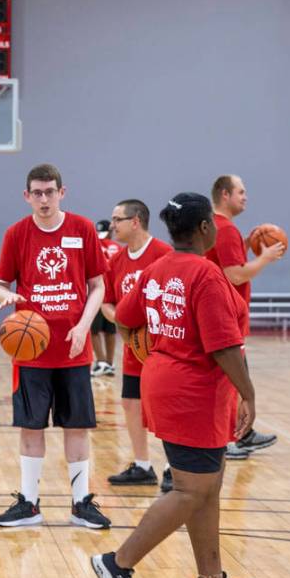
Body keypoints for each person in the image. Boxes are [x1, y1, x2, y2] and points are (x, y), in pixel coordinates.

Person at [91, 192, 259, 578]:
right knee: (190, 490)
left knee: (208, 487)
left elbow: (125, 318)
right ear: (206, 228)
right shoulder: (206, 275)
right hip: (194, 392)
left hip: (168, 382)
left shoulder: (156, 268)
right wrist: (249, 394)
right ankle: (119, 562)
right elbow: (224, 347)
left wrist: (153, 353)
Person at [0, 163, 110, 529]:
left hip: (74, 347)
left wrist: (82, 327)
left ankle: (81, 504)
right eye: (37, 193)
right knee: (32, 427)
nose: (44, 199)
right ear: (27, 196)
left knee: (76, 427)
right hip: (31, 349)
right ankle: (29, 504)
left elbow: (98, 286)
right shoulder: (16, 234)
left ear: (62, 192)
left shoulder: (82, 229)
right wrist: (7, 294)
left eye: (50, 192)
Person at [100, 199, 174, 492]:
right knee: (131, 404)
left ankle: (173, 467)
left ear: (135, 221)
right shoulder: (116, 261)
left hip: (163, 349)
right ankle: (142, 466)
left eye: (117, 219)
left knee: (166, 407)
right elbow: (106, 301)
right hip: (134, 348)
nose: (112, 224)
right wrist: (119, 317)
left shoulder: (163, 255)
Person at [206, 175, 282, 458]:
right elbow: (234, 274)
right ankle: (228, 440)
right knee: (231, 381)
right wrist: (265, 257)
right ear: (225, 195)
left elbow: (224, 261)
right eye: (241, 191)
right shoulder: (225, 229)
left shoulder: (217, 227)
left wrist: (248, 243)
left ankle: (243, 434)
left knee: (236, 379)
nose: (245, 196)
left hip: (220, 314)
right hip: (226, 316)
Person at [90, 219, 120, 376]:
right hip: (113, 295)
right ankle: (109, 363)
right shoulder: (118, 248)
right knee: (110, 330)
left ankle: (102, 363)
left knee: (93, 331)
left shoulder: (95, 246)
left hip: (99, 294)